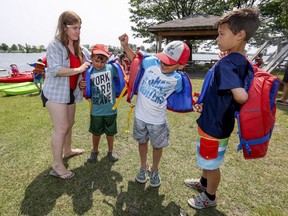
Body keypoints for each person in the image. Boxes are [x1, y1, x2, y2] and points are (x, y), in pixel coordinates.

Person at [184, 7, 260, 209]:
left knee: (211, 163)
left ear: (240, 35)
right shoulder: (240, 60)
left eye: (221, 34)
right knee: (206, 157)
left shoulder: (228, 64)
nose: (217, 39)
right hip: (216, 121)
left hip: (214, 125)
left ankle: (210, 196)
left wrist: (242, 94)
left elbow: (241, 96)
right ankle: (203, 183)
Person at [119, 33, 190, 187]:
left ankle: (155, 169)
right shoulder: (152, 62)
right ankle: (143, 167)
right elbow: (135, 59)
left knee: (157, 146)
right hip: (140, 117)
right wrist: (125, 46)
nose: (163, 64)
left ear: (181, 65)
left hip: (158, 121)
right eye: (163, 59)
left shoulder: (177, 80)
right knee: (142, 142)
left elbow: (179, 95)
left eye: (169, 63)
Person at [41, 11, 91, 180]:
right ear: (64, 27)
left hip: (70, 92)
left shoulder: (79, 48)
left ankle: (68, 150)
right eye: (74, 28)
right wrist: (78, 70)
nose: (78, 32)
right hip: (54, 93)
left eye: (79, 28)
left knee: (70, 123)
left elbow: (89, 64)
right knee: (62, 127)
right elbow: (55, 70)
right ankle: (57, 165)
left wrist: (80, 81)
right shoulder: (54, 45)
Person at [86, 44, 120, 163]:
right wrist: (82, 86)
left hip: (111, 110)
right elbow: (84, 87)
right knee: (96, 133)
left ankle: (110, 152)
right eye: (96, 61)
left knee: (110, 134)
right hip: (96, 111)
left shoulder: (111, 69)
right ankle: (94, 151)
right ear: (91, 57)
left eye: (103, 61)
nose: (99, 64)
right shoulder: (88, 72)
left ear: (107, 59)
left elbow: (123, 75)